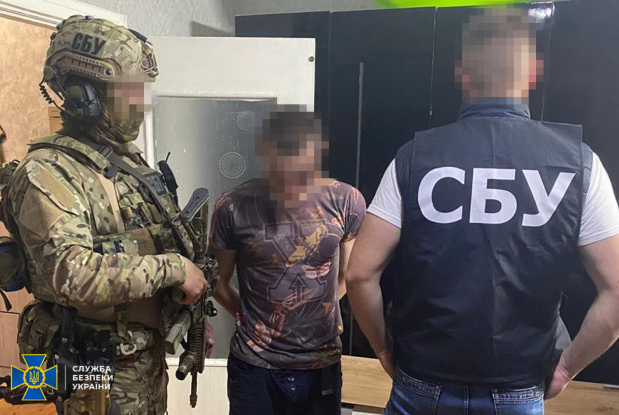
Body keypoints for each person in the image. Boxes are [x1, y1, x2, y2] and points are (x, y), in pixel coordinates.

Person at [346, 8, 619, 414]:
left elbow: (358, 274)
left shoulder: (414, 158)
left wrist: (384, 350)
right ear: (533, 73)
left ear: (462, 74)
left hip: (421, 383)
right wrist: (566, 369)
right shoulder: (579, 164)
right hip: (517, 388)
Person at [1, 16, 208, 414]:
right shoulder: (47, 171)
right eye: (130, 91)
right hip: (93, 368)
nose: (141, 104)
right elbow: (71, 274)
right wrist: (175, 268)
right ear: (84, 95)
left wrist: (189, 318)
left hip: (141, 363)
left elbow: (148, 245)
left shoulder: (124, 160)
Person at [210, 107, 366, 415]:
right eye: (281, 177)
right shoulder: (232, 207)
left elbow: (349, 275)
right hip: (254, 364)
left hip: (321, 362)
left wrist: (310, 310)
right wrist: (254, 319)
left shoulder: (346, 201)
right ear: (266, 159)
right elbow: (217, 280)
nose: (293, 187)